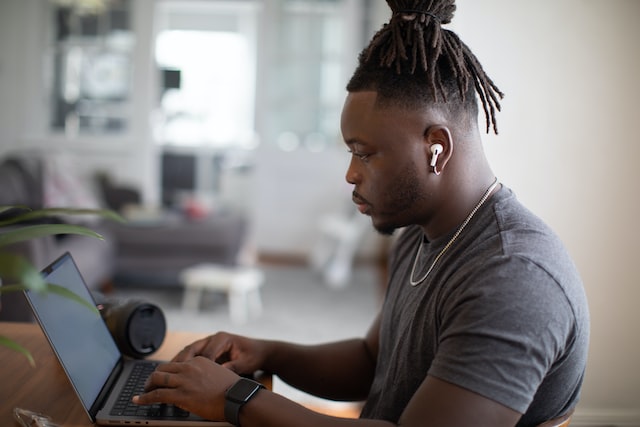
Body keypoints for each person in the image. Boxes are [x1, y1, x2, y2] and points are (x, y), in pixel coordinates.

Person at [133, 1, 590, 426]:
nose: (351, 174)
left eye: (365, 154)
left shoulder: (514, 277)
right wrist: (266, 351)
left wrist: (238, 399)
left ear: (437, 149)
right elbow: (374, 362)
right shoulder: (422, 229)